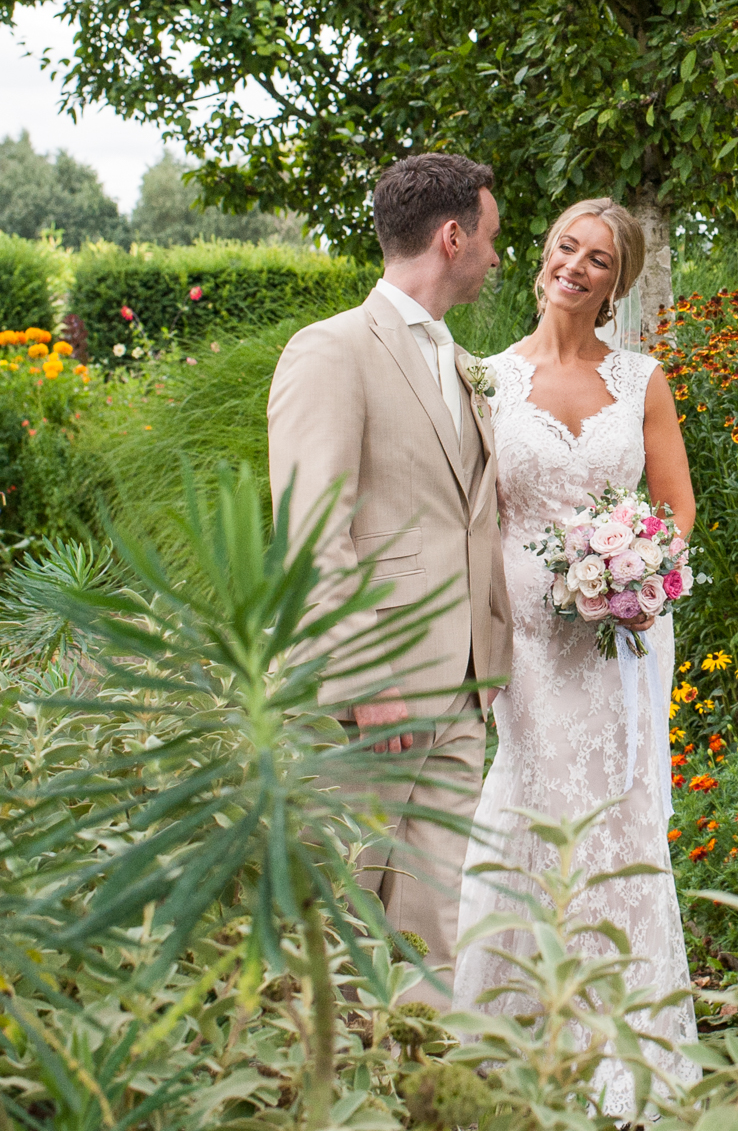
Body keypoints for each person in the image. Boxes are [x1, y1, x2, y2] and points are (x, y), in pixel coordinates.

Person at [451, 197, 698, 1113]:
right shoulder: (484, 378)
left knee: (619, 809)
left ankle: (621, 1049)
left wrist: (639, 577)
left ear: (618, 283)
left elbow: (676, 507)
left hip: (624, 637)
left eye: (599, 259)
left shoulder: (641, 381)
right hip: (527, 636)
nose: (577, 267)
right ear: (543, 258)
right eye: (566, 247)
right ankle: (507, 1035)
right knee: (532, 797)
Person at [267, 152, 513, 1006]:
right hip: (374, 698)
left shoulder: (461, 363)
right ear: (452, 237)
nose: (496, 255)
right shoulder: (331, 351)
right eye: (490, 236)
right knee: (333, 916)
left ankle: (420, 1091)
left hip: (462, 690)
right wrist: (363, 676)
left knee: (437, 931)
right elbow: (309, 531)